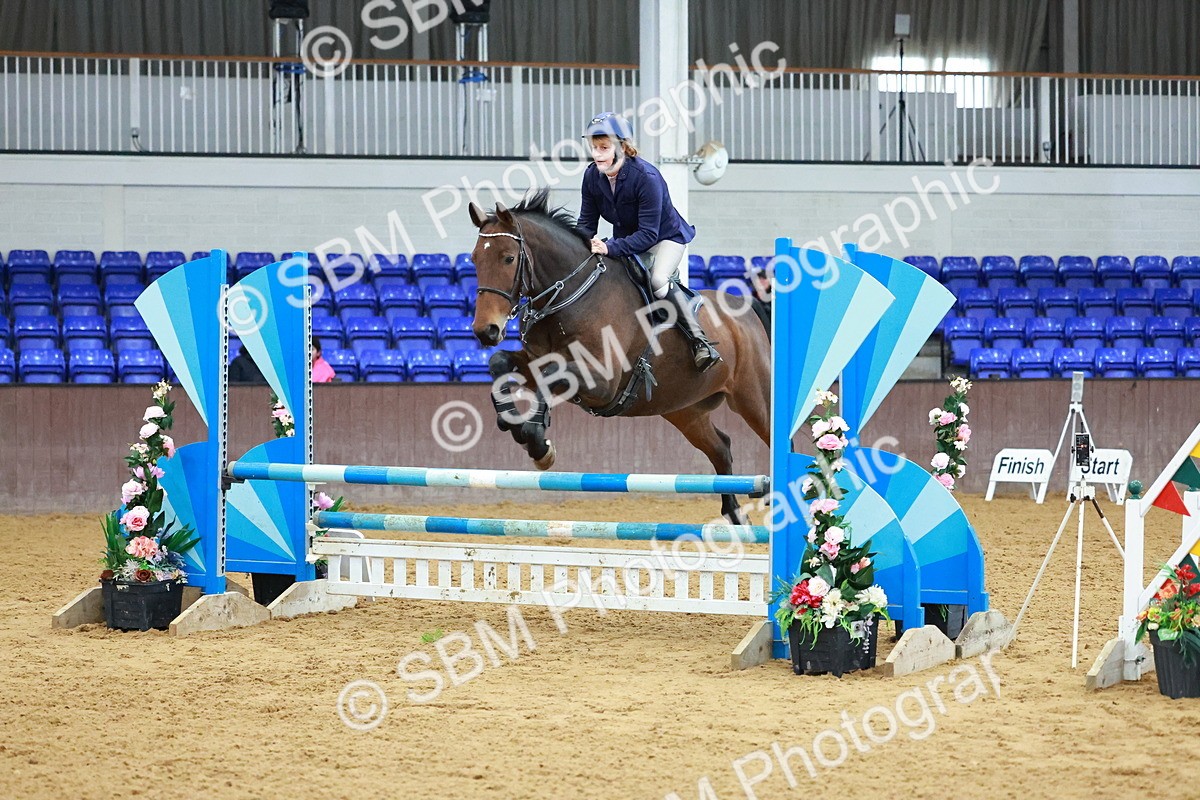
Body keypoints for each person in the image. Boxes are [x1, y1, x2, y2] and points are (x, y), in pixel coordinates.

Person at [575, 111, 722, 372]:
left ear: (622, 147)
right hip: (627, 241)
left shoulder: (646, 177)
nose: (597, 154)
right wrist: (577, 249)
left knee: (657, 279)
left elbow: (648, 234)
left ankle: (700, 341)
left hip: (665, 238)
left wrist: (609, 247)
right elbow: (586, 224)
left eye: (604, 148)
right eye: (594, 148)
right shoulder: (591, 177)